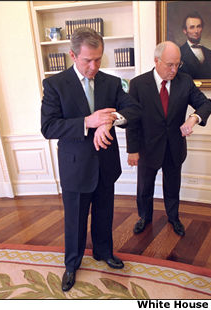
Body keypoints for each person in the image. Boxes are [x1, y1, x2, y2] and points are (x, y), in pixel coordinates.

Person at [41, 27, 141, 292]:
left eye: (99, 59)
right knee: (74, 218)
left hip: (106, 165)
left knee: (104, 213)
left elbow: (133, 110)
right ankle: (72, 264)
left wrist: (109, 121)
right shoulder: (55, 84)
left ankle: (103, 252)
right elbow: (48, 127)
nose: (94, 66)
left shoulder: (111, 82)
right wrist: (88, 122)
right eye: (88, 60)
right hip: (75, 167)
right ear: (73, 55)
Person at [126, 41, 211, 237]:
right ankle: (144, 218)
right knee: (144, 188)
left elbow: (206, 104)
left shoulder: (185, 81)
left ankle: (174, 218)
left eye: (177, 65)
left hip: (174, 147)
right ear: (156, 61)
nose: (174, 70)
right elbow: (132, 120)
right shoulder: (138, 84)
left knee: (173, 187)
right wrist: (132, 149)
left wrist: (194, 118)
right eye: (169, 65)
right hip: (147, 148)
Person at [179, 12, 211, 79]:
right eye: (192, 27)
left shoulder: (210, 53)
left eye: (198, 26)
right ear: (185, 31)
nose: (196, 31)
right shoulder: (179, 53)